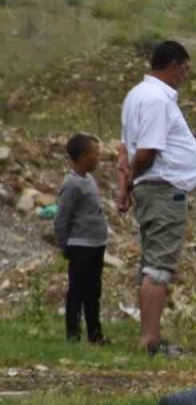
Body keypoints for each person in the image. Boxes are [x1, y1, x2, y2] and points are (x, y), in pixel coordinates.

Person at [119, 40, 196, 355]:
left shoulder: (136, 96)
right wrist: (129, 182)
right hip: (162, 189)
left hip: (152, 187)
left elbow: (122, 150)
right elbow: (147, 152)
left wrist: (126, 183)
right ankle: (150, 341)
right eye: (185, 69)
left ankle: (149, 335)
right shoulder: (157, 99)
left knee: (152, 261)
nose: (185, 76)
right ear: (174, 66)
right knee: (158, 266)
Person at [55, 133, 109, 344]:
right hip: (80, 245)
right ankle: (73, 334)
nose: (98, 157)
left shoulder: (90, 180)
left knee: (93, 291)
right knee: (77, 291)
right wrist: (64, 244)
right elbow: (62, 217)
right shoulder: (71, 184)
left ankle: (95, 334)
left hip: (96, 244)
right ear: (84, 156)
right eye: (95, 153)